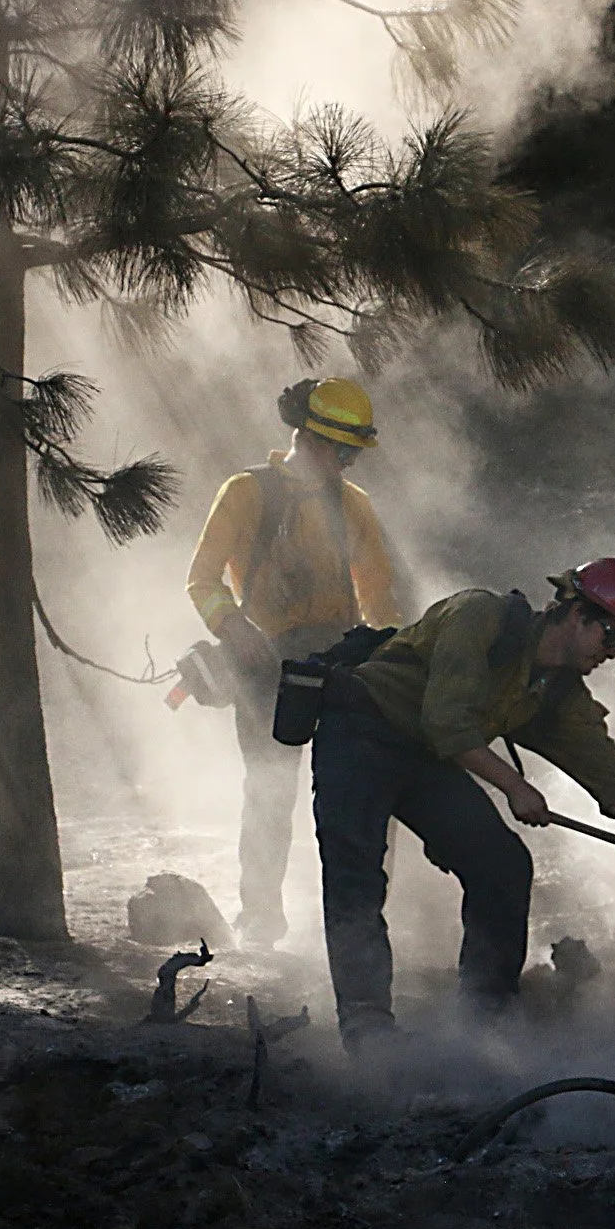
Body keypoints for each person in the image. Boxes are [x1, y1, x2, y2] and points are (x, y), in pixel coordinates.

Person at [310, 559, 615, 1050]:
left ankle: (487, 1018)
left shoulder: (556, 692)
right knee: (356, 874)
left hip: (427, 758)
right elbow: (447, 722)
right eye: (611, 636)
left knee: (502, 865)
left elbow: (608, 775)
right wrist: (514, 788)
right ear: (577, 615)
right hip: (360, 731)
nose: (613, 652)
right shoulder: (479, 617)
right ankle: (367, 1029)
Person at [186, 377, 401, 949]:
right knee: (269, 792)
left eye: (355, 453)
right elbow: (202, 580)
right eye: (344, 451)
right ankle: (260, 920)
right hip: (268, 666)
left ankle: (362, 920)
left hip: (340, 662)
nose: (350, 464)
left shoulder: (353, 507)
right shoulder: (246, 493)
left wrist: (390, 655)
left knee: (358, 789)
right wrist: (233, 628)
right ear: (312, 440)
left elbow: (379, 597)